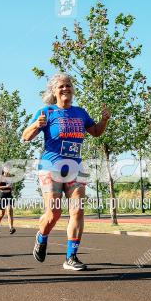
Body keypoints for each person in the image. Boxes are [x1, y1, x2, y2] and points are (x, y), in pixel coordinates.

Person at [22, 73, 110, 271]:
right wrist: (37, 124)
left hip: (76, 167)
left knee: (77, 210)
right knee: (54, 213)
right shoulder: (47, 112)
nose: (65, 89)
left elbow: (95, 132)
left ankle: (71, 257)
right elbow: (26, 137)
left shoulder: (80, 112)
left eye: (68, 85)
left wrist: (104, 120)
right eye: (61, 86)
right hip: (50, 167)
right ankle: (41, 236)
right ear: (53, 91)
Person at [0, 166, 16, 234]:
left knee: (9, 211)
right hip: (2, 196)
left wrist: (12, 188)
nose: (8, 170)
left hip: (9, 195)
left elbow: (13, 187)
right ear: (4, 170)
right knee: (2, 213)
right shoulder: (0, 177)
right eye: (7, 169)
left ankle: (11, 228)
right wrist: (6, 186)